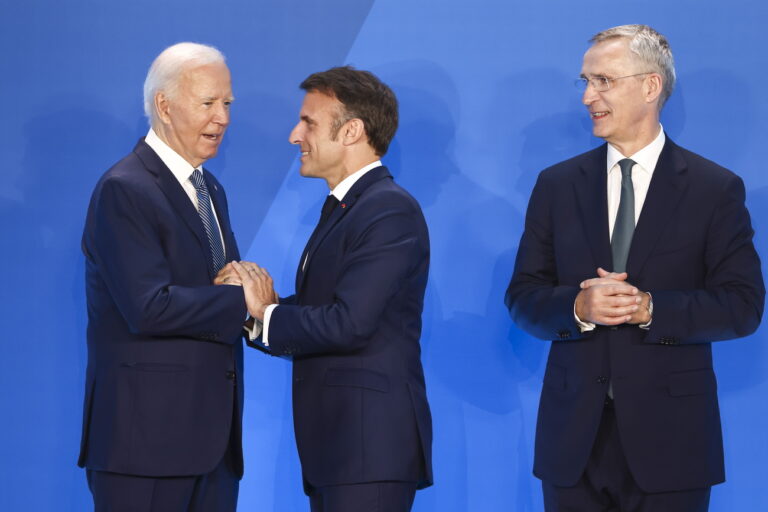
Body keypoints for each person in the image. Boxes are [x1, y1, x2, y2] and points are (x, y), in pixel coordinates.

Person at [505, 25, 764, 512]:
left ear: (650, 87)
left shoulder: (715, 189)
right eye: (585, 81)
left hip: (673, 445)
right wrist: (577, 306)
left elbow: (743, 305)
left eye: (603, 81)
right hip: (572, 446)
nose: (587, 97)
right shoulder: (557, 185)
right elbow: (522, 298)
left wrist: (650, 308)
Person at [231, 66, 433, 512]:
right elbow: (322, 309)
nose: (294, 135)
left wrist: (267, 312)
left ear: (352, 131)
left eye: (309, 122)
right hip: (340, 453)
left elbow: (349, 322)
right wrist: (252, 315)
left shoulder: (388, 211)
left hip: (368, 451)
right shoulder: (349, 207)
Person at [79, 42, 248, 511]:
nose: (223, 118)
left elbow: (219, 285)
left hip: (211, 448)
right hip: (145, 448)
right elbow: (147, 307)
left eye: (227, 103)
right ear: (164, 106)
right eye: (208, 103)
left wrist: (248, 302)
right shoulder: (124, 189)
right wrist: (243, 301)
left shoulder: (209, 187)